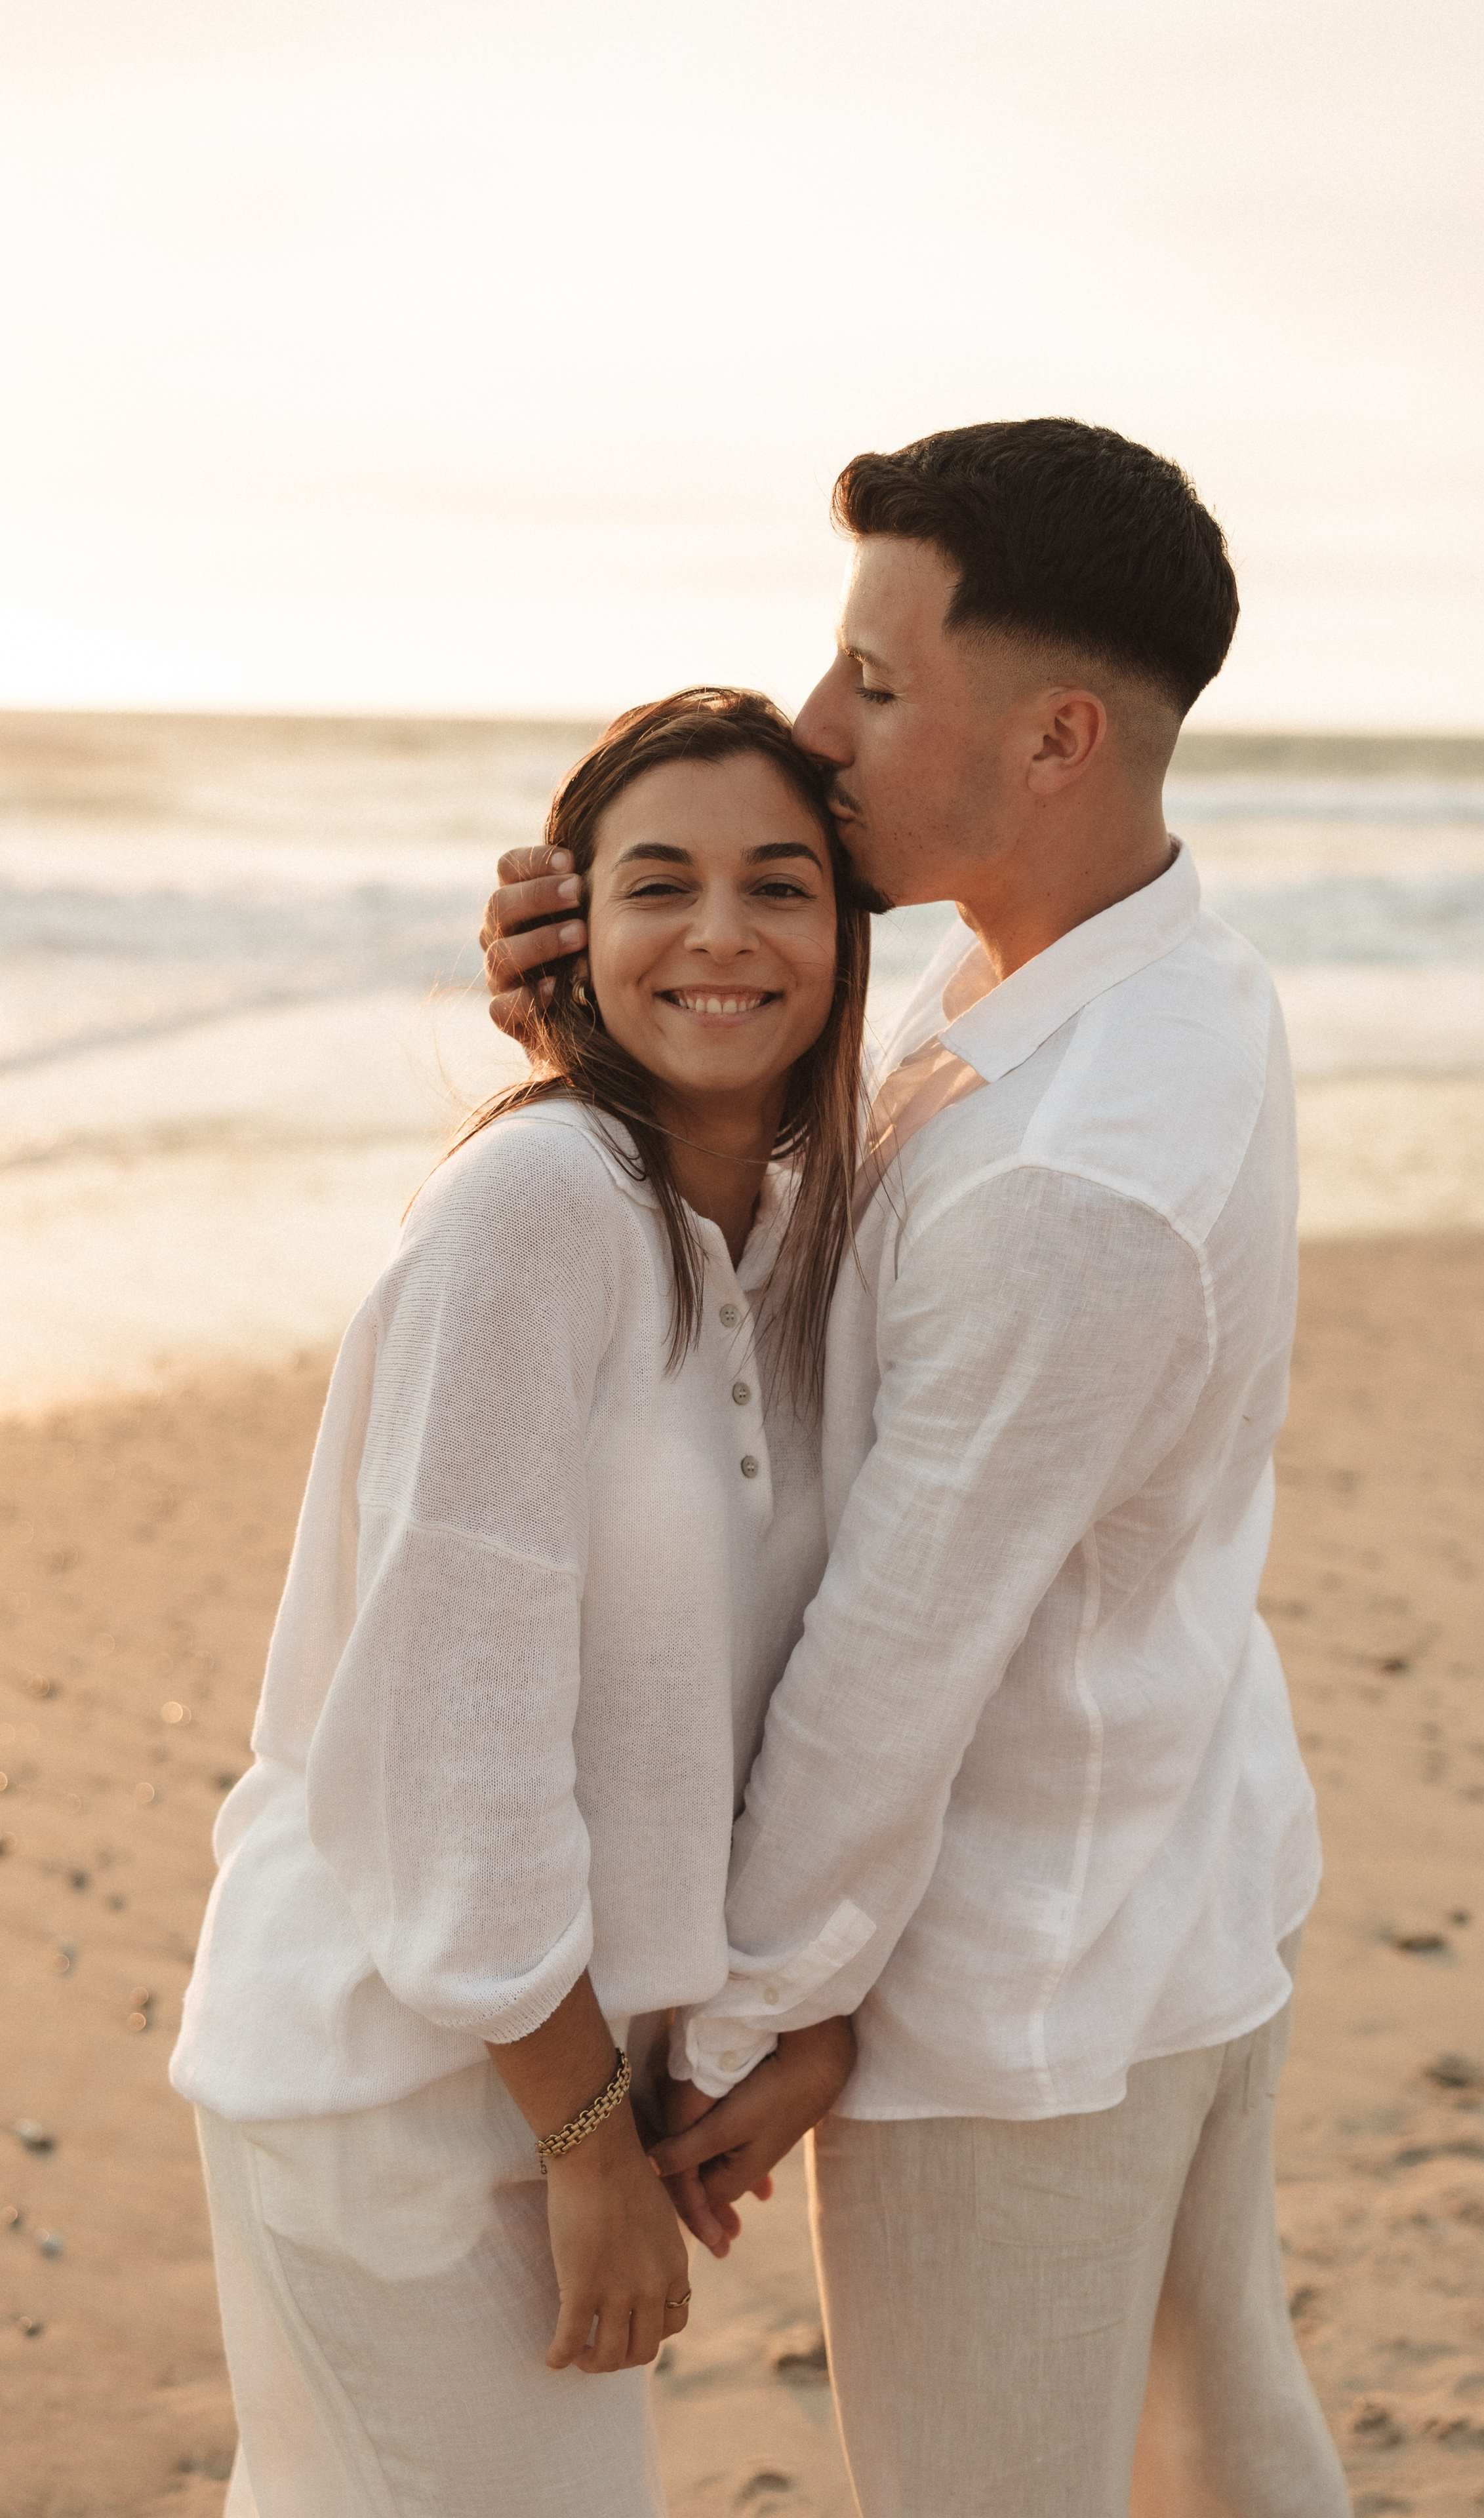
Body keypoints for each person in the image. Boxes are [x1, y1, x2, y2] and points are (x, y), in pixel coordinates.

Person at [483, 420, 1354, 2515]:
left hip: (1015, 1987)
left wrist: (738, 2021)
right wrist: (593, 1035)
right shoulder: (1099, 982)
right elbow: (854, 1269)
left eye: (877, 679)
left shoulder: (1079, 1173)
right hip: (1174, 1870)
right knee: (1219, 2445)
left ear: (1058, 736)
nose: (815, 723)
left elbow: (895, 1654)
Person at [171, 688, 864, 2518]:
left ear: (851, 938)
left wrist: (762, 2031)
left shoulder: (787, 1243)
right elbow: (446, 1728)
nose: (721, 934)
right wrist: (582, 2144)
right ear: (574, 935)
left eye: (780, 886)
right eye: (661, 886)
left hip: (558, 2081)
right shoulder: (534, 1208)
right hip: (398, 2091)